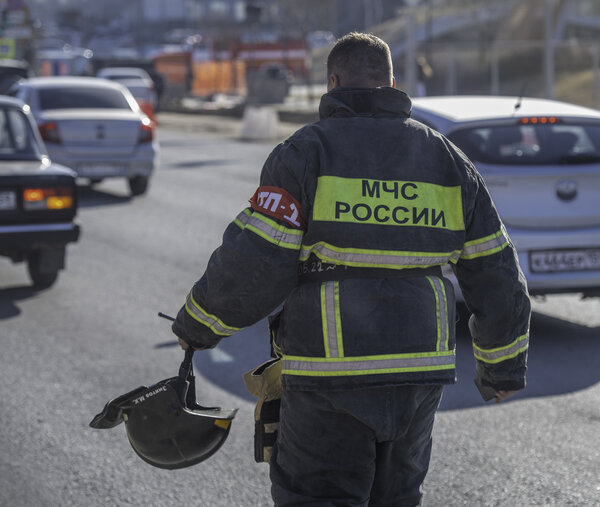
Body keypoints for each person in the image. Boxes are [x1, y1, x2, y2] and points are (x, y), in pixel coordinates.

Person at [172, 32, 531, 506]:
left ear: (333, 82)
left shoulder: (306, 152)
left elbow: (257, 257)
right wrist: (501, 370)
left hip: (330, 373)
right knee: (397, 498)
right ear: (392, 83)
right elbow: (496, 271)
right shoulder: (445, 158)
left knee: (318, 496)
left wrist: (199, 325)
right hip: (421, 370)